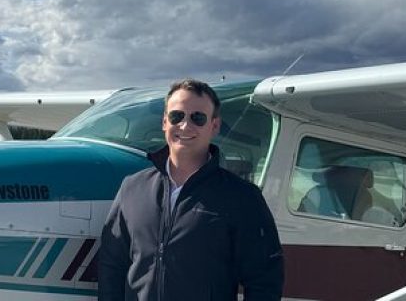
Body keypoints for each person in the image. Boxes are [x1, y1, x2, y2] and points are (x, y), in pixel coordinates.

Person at [98, 78, 284, 300]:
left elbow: (264, 280)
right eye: (177, 116)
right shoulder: (132, 188)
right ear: (164, 122)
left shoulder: (243, 197)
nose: (185, 126)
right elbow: (112, 265)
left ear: (214, 126)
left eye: (198, 118)